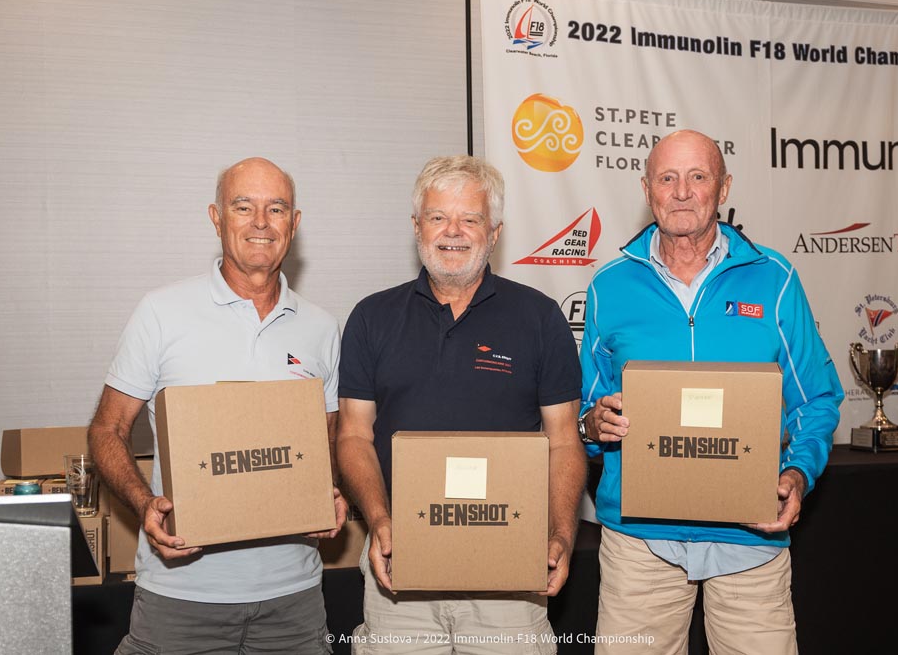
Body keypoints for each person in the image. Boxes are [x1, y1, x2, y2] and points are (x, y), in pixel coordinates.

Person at [578, 130, 843, 654]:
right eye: (667, 178)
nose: (682, 192)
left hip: (750, 538)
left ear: (723, 188)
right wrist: (593, 424)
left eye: (698, 177)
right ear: (647, 190)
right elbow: (588, 408)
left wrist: (797, 473)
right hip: (640, 543)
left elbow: (817, 398)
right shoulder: (609, 285)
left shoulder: (774, 279)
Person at [88, 157, 347, 654]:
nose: (260, 222)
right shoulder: (162, 312)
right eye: (243, 207)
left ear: (294, 223)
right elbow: (107, 429)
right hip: (180, 597)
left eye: (276, 209)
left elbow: (326, 440)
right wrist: (144, 504)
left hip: (293, 600)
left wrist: (328, 493)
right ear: (216, 217)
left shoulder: (320, 327)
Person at [337, 155, 585, 654]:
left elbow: (563, 441)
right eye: (437, 217)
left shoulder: (540, 318)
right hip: (400, 567)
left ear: (494, 232)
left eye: (470, 219)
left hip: (511, 571)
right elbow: (353, 434)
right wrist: (380, 520)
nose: (452, 232)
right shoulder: (371, 317)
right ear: (416, 227)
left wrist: (561, 533)